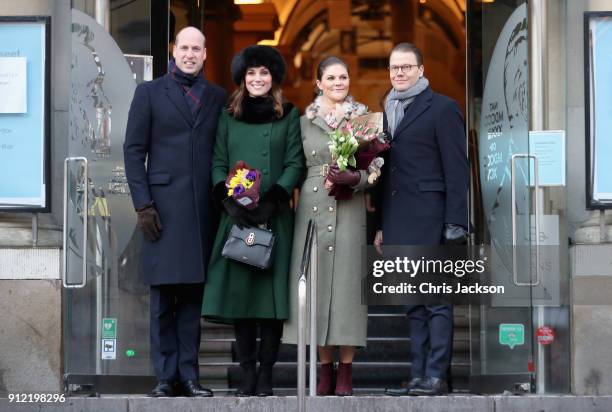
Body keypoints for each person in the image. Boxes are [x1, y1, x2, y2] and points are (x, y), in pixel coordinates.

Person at [123, 26, 226, 398]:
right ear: (174, 50)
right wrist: (143, 204)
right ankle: (165, 377)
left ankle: (191, 376)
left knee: (193, 299)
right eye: (183, 47)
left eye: (196, 48)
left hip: (202, 210)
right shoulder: (149, 93)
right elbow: (133, 151)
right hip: (161, 210)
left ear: (204, 53)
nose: (189, 54)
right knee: (164, 298)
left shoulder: (217, 97)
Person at [202, 45, 304, 397]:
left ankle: (266, 373)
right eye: (251, 73)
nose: (258, 79)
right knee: (242, 299)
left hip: (274, 219)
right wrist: (229, 201)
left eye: (264, 73)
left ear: (273, 78)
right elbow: (218, 160)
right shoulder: (228, 116)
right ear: (242, 79)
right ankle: (246, 371)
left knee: (270, 303)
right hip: (237, 219)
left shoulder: (289, 114)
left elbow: (295, 163)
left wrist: (275, 198)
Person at [375, 43, 469, 396]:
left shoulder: (442, 108)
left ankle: (437, 376)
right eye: (394, 68)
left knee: (436, 301)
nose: (399, 73)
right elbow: (385, 175)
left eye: (406, 67)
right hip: (399, 220)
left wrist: (456, 221)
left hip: (433, 217)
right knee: (412, 303)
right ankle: (418, 375)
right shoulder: (386, 112)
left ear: (421, 69)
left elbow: (458, 169)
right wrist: (380, 226)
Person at [282, 56, 373, 396]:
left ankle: (346, 370)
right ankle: (324, 369)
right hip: (312, 208)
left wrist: (358, 177)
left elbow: (377, 167)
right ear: (318, 83)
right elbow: (294, 164)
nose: (338, 82)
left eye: (344, 77)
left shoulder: (363, 119)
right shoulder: (303, 121)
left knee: (349, 290)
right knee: (316, 286)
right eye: (331, 77)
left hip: (349, 209)